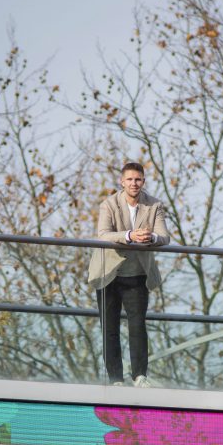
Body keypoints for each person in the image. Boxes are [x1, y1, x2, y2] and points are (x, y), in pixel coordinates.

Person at [88, 162, 170, 386]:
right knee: (109, 327)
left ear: (143, 181)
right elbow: (103, 235)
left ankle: (140, 376)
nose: (134, 183)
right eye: (130, 180)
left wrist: (151, 238)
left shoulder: (154, 205)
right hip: (108, 273)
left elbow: (164, 236)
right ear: (122, 182)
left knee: (138, 326)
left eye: (138, 179)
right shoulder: (109, 204)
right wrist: (130, 236)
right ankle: (115, 379)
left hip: (137, 274)